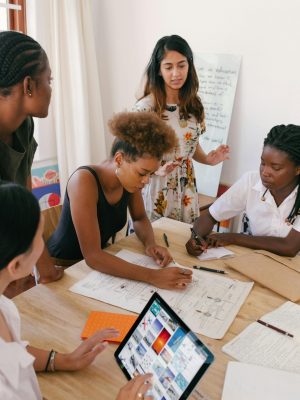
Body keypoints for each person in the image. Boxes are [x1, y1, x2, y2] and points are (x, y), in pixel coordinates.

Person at [0, 182, 153, 400]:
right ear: (16, 266)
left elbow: (11, 354)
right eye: (40, 240)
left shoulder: (4, 306)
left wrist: (60, 360)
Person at [47, 112, 193, 289]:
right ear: (119, 159)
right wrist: (153, 276)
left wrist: (150, 244)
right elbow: (93, 256)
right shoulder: (84, 181)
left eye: (150, 174)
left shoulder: (129, 181)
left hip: (99, 260)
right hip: (63, 267)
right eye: (142, 173)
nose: (146, 181)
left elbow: (139, 218)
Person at [133, 34, 229, 224]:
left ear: (189, 66)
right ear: (159, 70)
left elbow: (190, 146)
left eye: (181, 65)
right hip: (155, 186)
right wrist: (157, 170)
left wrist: (208, 159)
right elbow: (131, 157)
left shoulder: (194, 105)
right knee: (154, 246)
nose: (176, 73)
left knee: (182, 246)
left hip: (186, 187)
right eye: (169, 67)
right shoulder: (145, 109)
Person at [0, 30, 62, 285]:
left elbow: (25, 199)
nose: (51, 89)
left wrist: (43, 267)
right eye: (49, 80)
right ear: (28, 86)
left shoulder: (25, 126)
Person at [186, 124, 300, 258]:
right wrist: (196, 236)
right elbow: (210, 215)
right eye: (263, 163)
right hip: (255, 260)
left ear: (297, 169)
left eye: (275, 167)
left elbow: (290, 246)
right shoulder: (251, 181)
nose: (265, 172)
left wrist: (233, 238)